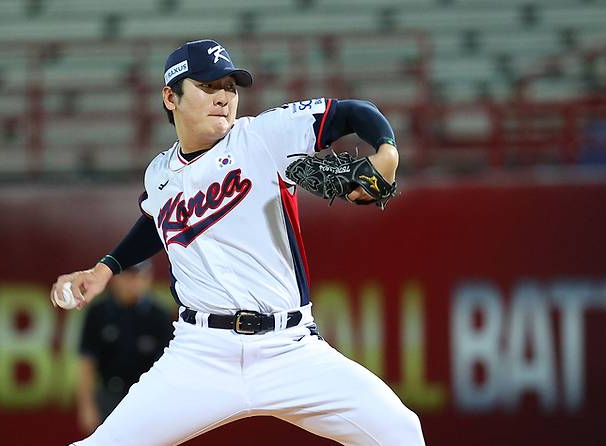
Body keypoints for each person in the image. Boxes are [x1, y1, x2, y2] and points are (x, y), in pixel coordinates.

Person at [51, 39, 425, 446]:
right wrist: (104, 269)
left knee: (400, 432)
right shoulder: (159, 174)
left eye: (230, 87)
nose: (224, 97)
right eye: (208, 86)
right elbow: (153, 222)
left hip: (289, 349)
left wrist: (387, 153)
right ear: (169, 97)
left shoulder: (263, 137)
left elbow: (354, 112)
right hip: (201, 354)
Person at [75, 260, 174, 435]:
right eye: (128, 276)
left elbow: (168, 367)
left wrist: (163, 407)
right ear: (115, 279)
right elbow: (86, 362)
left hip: (144, 400)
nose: (133, 282)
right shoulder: (99, 312)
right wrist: (87, 405)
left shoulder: (159, 316)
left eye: (138, 277)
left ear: (147, 279)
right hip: (108, 396)